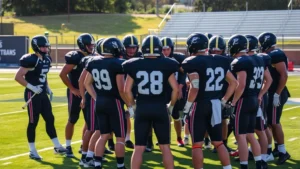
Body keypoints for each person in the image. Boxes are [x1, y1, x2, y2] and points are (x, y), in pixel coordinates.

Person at [181, 33, 237, 169]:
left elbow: (195, 88)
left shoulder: (192, 61)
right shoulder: (220, 60)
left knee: (197, 144)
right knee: (219, 142)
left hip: (200, 104)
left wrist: (186, 107)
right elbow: (234, 83)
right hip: (216, 104)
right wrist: (223, 101)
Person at [123, 35, 178, 169]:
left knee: (139, 147)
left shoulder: (133, 64)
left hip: (142, 108)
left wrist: (133, 106)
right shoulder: (167, 64)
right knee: (165, 147)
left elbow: (126, 90)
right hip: (160, 108)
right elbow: (176, 89)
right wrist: (171, 105)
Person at [15, 35, 66, 160]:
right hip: (32, 95)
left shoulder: (47, 59)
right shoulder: (31, 59)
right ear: (37, 47)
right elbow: (18, 77)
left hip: (42, 93)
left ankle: (57, 146)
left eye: (46, 46)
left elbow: (43, 76)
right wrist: (32, 87)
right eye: (43, 46)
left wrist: (48, 88)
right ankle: (32, 150)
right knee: (33, 121)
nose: (45, 49)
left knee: (50, 118)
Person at [84, 37, 128, 169]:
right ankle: (120, 165)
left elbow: (87, 83)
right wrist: (130, 104)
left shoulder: (93, 62)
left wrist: (96, 98)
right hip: (114, 102)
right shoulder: (118, 63)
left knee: (103, 135)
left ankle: (97, 163)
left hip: (100, 101)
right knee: (120, 137)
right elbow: (121, 89)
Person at [229, 34, 265, 169]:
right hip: (254, 99)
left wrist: (233, 102)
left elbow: (241, 85)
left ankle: (244, 165)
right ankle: (259, 162)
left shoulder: (241, 61)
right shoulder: (258, 60)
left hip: (244, 101)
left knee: (241, 135)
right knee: (250, 133)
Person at [59, 33, 95, 157]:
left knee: (90, 122)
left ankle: (84, 146)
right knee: (73, 119)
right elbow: (62, 74)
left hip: (88, 92)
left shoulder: (92, 56)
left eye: (92, 45)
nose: (91, 47)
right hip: (76, 93)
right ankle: (68, 146)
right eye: (89, 45)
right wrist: (73, 89)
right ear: (82, 45)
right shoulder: (75, 57)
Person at [258, 32, 291, 165]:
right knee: (270, 122)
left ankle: (283, 151)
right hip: (272, 93)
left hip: (276, 93)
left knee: (274, 122)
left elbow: (284, 75)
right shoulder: (273, 54)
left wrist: (277, 93)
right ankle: (274, 149)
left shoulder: (276, 54)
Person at [245, 34, 273, 167]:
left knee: (250, 131)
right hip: (256, 98)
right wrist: (261, 94)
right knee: (258, 130)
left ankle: (260, 157)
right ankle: (261, 156)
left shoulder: (245, 61)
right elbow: (269, 80)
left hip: (248, 99)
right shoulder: (261, 59)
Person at [208, 35, 235, 153]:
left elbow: (234, 81)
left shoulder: (228, 60)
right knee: (206, 119)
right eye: (214, 51)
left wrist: (226, 98)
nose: (216, 53)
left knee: (223, 119)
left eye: (219, 51)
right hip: (208, 93)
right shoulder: (205, 59)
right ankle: (206, 141)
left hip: (223, 92)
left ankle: (222, 142)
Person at [160, 37, 187, 147]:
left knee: (176, 116)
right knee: (163, 117)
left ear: (171, 48)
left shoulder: (178, 58)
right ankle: (165, 139)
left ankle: (179, 137)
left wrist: (180, 87)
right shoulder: (157, 59)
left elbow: (183, 73)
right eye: (163, 49)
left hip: (174, 90)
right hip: (162, 91)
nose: (165, 52)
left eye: (167, 49)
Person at [120, 34, 143, 149]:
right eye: (129, 47)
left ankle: (128, 138)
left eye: (134, 47)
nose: (131, 50)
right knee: (117, 115)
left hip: (135, 89)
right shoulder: (118, 56)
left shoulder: (141, 57)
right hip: (118, 90)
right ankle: (110, 141)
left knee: (133, 114)